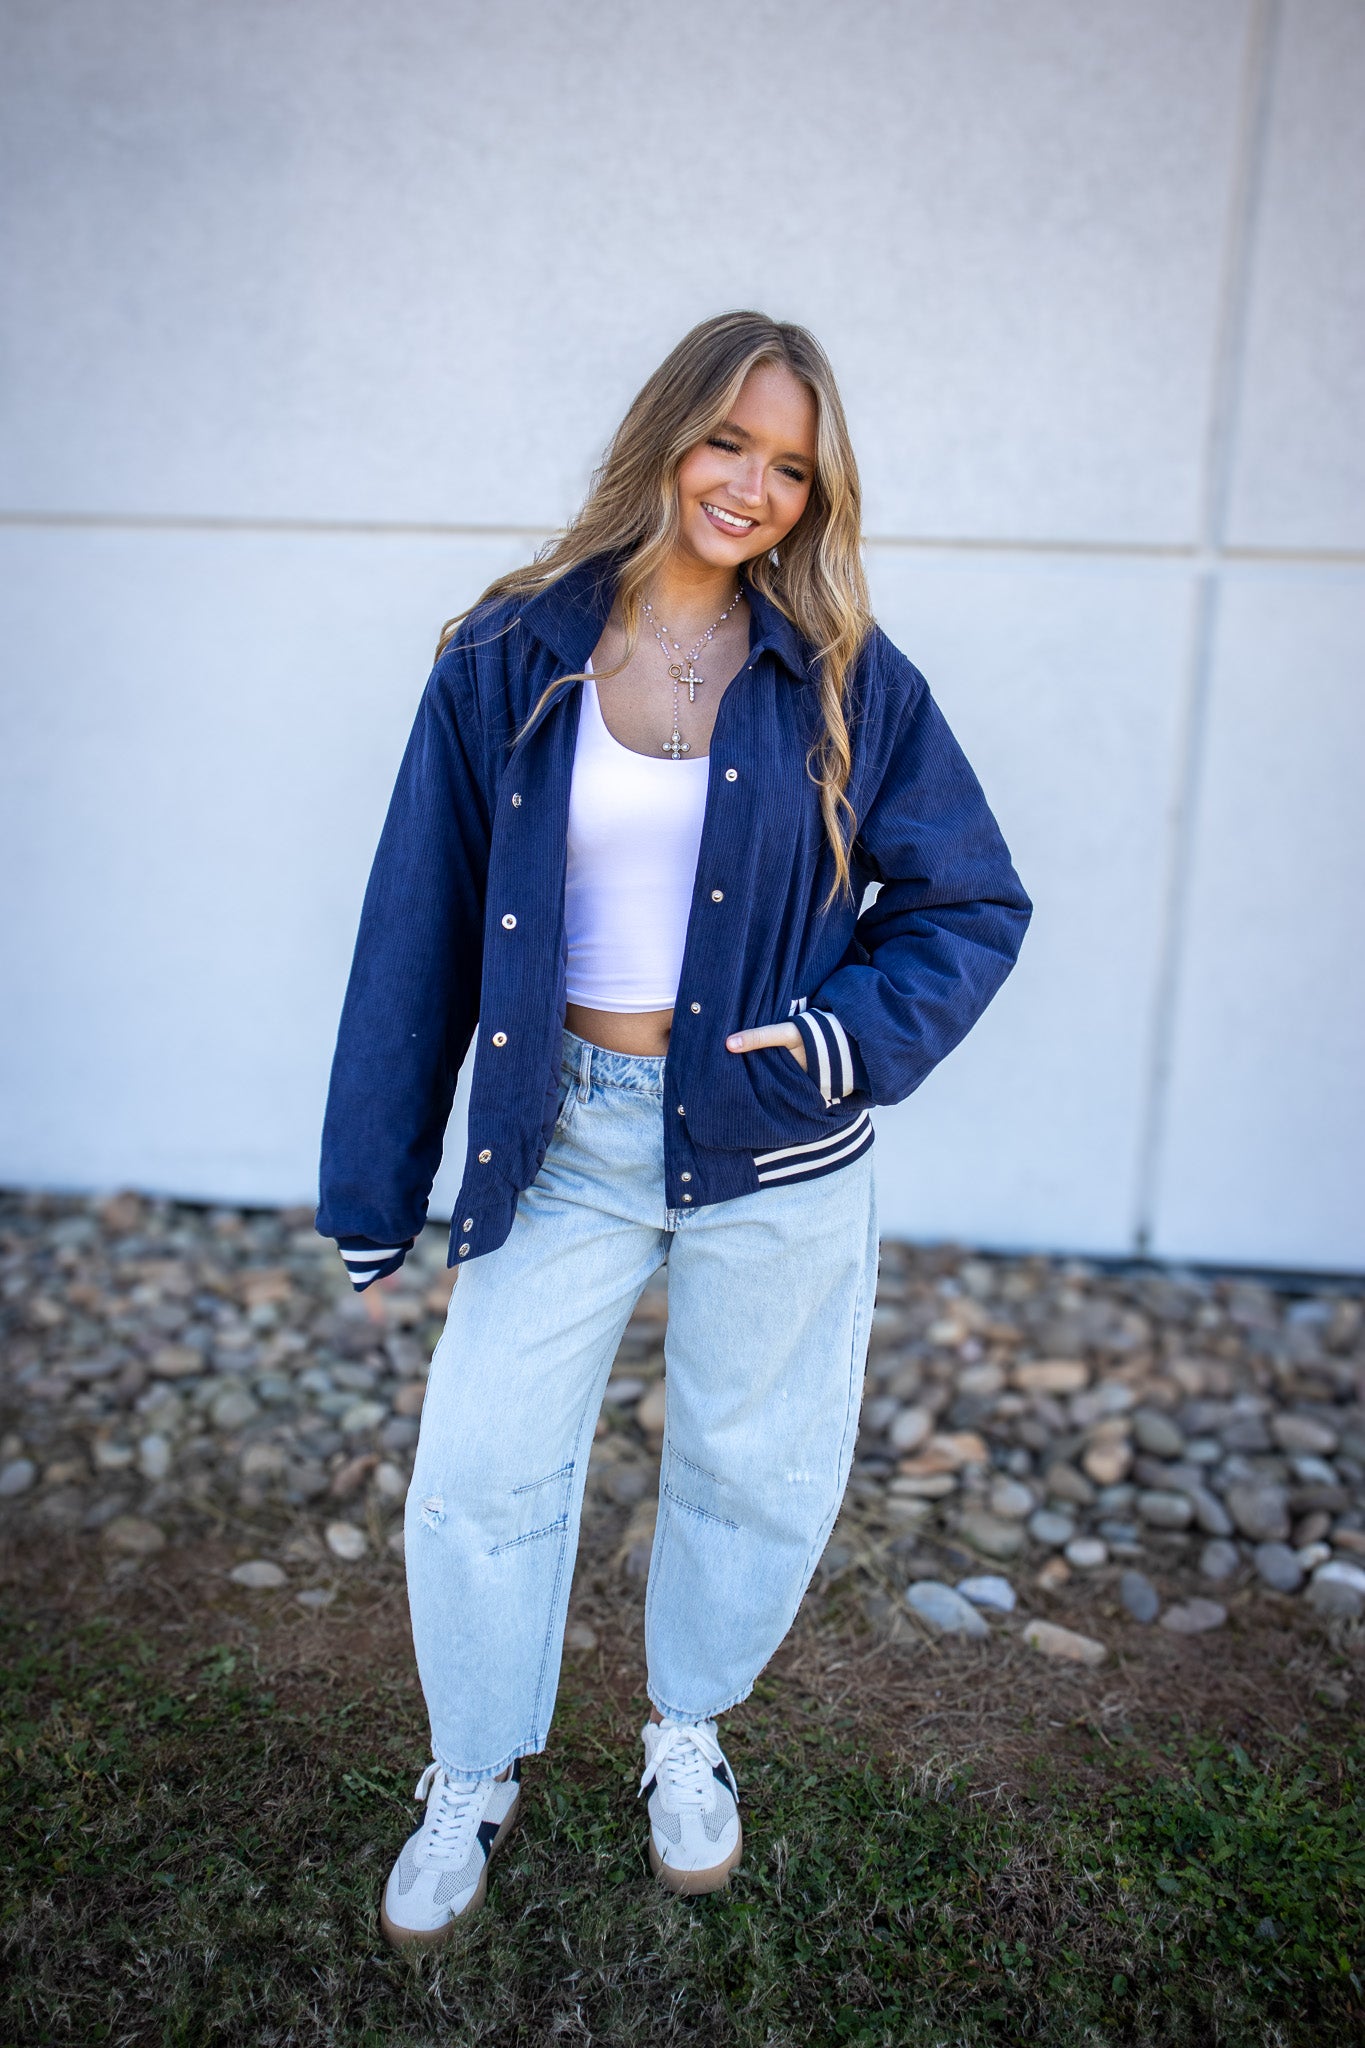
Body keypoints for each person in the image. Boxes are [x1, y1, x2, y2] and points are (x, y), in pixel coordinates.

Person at [317, 310, 1031, 1945]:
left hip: (775, 1138)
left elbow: (968, 901)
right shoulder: (507, 657)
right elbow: (413, 922)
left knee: (752, 1466)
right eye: (730, 444)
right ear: (666, 437)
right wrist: (375, 1176)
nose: (754, 487)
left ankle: (683, 1732)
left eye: (790, 466)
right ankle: (472, 1770)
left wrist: (848, 1034)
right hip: (561, 1132)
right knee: (481, 1468)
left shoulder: (847, 675)